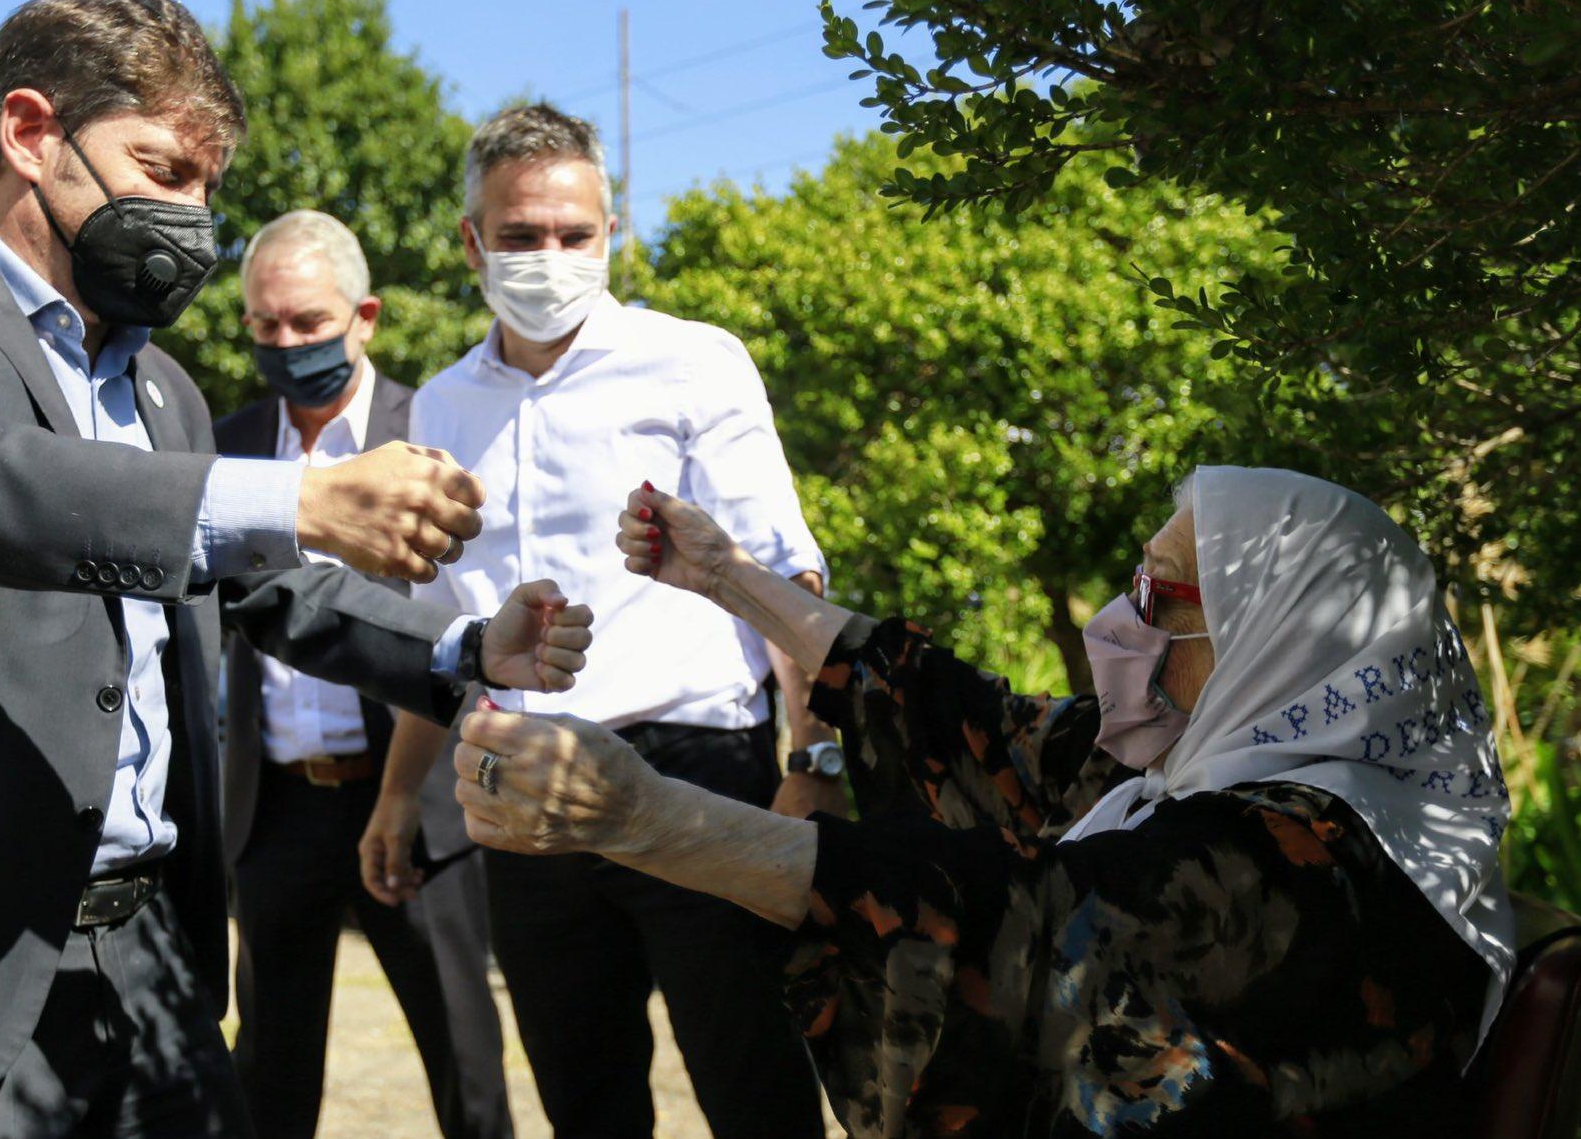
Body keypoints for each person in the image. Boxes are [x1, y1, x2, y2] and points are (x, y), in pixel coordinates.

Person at [0, 0, 591, 1137]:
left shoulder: (161, 386)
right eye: (163, 169)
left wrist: (465, 647)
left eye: (207, 188)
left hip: (157, 964)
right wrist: (304, 494)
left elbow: (265, 586)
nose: (193, 215)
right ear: (31, 133)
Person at [452, 466, 1520, 1137]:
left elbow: (1017, 920)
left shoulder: (1309, 854)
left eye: (1159, 593)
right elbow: (973, 725)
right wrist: (729, 576)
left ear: (1275, 635)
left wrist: (647, 817)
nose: (1117, 617)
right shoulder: (1230, 772)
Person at [401, 102, 833, 1137]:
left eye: (571, 234)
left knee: (753, 1084)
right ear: (471, 243)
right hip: (528, 787)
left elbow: (783, 571)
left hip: (696, 766)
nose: (547, 256)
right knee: (582, 1095)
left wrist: (813, 756)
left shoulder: (693, 361)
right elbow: (435, 624)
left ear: (609, 235)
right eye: (518, 236)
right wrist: (394, 796)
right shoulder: (440, 405)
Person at [215, 209, 514, 1139]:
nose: (287, 344)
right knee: (269, 1071)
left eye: (308, 323)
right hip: (272, 813)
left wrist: (399, 794)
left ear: (365, 317)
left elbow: (457, 625)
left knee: (463, 1060)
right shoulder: (224, 447)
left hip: (414, 803)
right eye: (266, 326)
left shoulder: (428, 433)